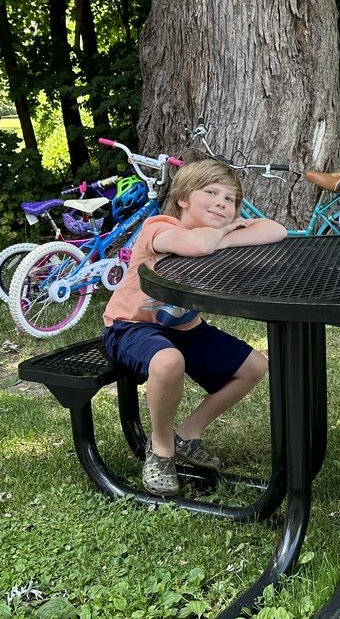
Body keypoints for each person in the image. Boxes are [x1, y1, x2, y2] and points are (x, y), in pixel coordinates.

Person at [102, 158, 287, 495]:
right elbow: (198, 245)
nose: (222, 203)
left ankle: (187, 434)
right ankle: (161, 450)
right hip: (129, 326)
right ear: (182, 198)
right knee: (168, 360)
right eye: (211, 193)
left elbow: (277, 230)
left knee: (253, 366)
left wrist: (223, 237)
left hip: (183, 326)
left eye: (230, 199)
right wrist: (223, 234)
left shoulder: (216, 236)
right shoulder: (160, 227)